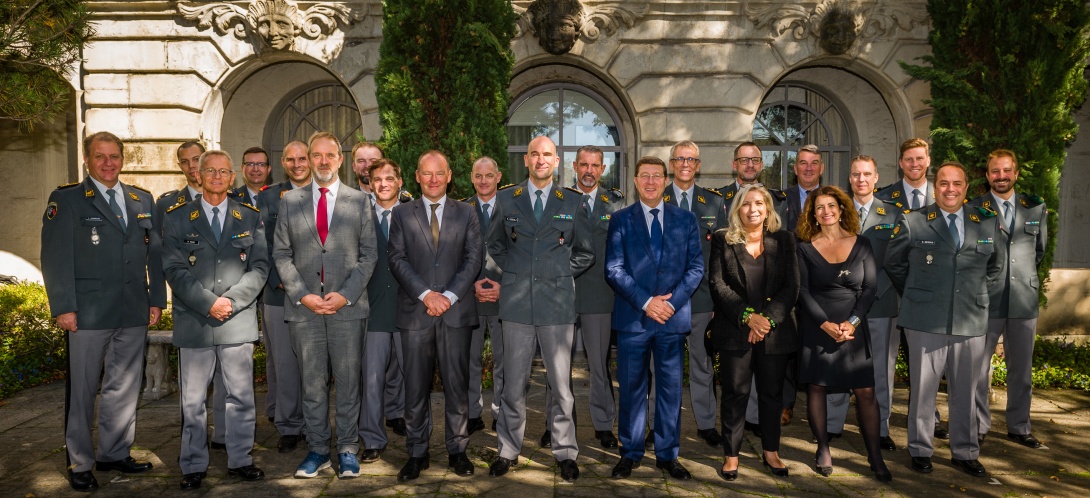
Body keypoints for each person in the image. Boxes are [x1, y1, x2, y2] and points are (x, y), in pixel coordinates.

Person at [41, 131, 166, 492]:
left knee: (124, 387)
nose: (108, 163)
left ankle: (114, 452)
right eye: (100, 156)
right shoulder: (68, 200)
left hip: (132, 309)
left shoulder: (141, 199)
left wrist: (156, 299)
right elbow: (55, 257)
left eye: (114, 156)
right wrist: (64, 307)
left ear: (122, 159)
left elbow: (153, 254)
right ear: (87, 160)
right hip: (88, 313)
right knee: (82, 391)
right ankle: (80, 461)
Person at [486, 135, 594, 482]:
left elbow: (585, 252)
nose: (540, 159)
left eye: (547, 154)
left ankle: (565, 452)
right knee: (513, 385)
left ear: (557, 161)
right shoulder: (506, 198)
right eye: (534, 153)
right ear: (527, 160)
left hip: (557, 305)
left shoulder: (573, 202)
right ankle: (508, 450)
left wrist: (557, 272)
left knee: (561, 386)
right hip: (516, 304)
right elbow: (495, 245)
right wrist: (519, 273)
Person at [272, 131, 377, 479]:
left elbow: (369, 256)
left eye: (328, 155)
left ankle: (347, 448)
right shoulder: (290, 201)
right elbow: (281, 254)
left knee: (348, 383)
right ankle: (318, 450)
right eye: (315, 155)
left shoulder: (359, 201)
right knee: (312, 385)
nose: (321, 162)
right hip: (305, 309)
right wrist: (303, 294)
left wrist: (345, 294)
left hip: (347, 308)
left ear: (339, 159)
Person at [162, 150, 269, 490]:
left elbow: (260, 267)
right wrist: (209, 304)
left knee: (240, 396)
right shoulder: (178, 217)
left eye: (224, 171)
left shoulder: (249, 217)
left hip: (236, 320)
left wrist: (231, 302)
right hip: (196, 320)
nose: (217, 177)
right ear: (199, 174)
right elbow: (174, 269)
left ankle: (240, 459)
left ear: (232, 177)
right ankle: (193, 464)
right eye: (211, 170)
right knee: (192, 401)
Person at [886, 161, 1000, 477]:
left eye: (957, 184)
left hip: (970, 320)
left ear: (966, 188)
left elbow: (995, 268)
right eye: (944, 184)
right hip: (925, 319)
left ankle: (965, 452)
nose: (950, 189)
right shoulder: (915, 221)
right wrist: (920, 292)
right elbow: (894, 264)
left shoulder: (987, 223)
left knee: (966, 390)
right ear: (935, 188)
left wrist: (971, 295)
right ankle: (921, 449)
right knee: (923, 389)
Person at [605, 156, 704, 480]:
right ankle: (630, 452)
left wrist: (671, 304)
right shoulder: (620, 219)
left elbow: (695, 268)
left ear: (666, 180)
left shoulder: (686, 219)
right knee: (632, 389)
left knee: (670, 390)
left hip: (671, 322)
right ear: (635, 181)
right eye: (644, 176)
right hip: (634, 319)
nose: (650, 182)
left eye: (656, 176)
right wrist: (647, 302)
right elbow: (614, 269)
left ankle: (667, 455)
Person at [388, 151, 483, 481]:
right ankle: (417, 452)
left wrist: (449, 296)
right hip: (416, 312)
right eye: (426, 173)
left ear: (449, 175)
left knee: (458, 387)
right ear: (416, 176)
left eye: (438, 173)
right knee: (415, 389)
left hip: (455, 312)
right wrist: (427, 294)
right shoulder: (401, 214)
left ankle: (458, 450)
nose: (432, 179)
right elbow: (397, 259)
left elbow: (474, 259)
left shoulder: (467, 212)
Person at [794, 185, 891, 482]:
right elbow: (803, 291)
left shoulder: (861, 243)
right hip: (818, 326)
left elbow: (870, 287)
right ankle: (822, 448)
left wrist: (853, 321)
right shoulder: (804, 247)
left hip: (853, 329)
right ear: (813, 214)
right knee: (818, 387)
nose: (826, 211)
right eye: (819, 207)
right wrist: (824, 324)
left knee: (866, 392)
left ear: (841, 209)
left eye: (831, 206)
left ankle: (875, 455)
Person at [708, 184, 799, 481]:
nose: (753, 209)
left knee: (772, 395)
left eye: (759, 203)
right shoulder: (723, 240)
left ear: (768, 208)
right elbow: (718, 284)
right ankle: (731, 455)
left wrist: (766, 322)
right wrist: (748, 318)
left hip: (774, 333)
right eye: (746, 204)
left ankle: (771, 451)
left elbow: (791, 287)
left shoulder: (784, 240)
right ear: (737, 209)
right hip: (736, 331)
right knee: (735, 393)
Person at [542, 145, 625, 450]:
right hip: (560, 293)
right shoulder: (558, 199)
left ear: (602, 169)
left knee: (599, 365)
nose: (589, 171)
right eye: (584, 165)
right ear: (574, 167)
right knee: (556, 366)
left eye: (595, 166)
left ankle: (603, 425)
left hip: (599, 295)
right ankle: (555, 425)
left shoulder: (614, 204)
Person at [968, 150, 1048, 449]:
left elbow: (1038, 251)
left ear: (1015, 173)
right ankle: (977, 425)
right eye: (994, 172)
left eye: (1006, 171)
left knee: (1022, 369)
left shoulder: (1035, 208)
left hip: (1023, 299)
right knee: (979, 370)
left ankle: (1019, 426)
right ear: (987, 175)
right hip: (987, 299)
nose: (1000, 176)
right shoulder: (975, 209)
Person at [826, 156, 902, 452]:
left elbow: (897, 262)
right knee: (839, 363)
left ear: (876, 177)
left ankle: (880, 427)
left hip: (880, 304)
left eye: (866, 174)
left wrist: (871, 293)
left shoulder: (893, 214)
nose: (861, 179)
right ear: (850, 179)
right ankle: (834, 423)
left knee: (881, 369)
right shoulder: (836, 214)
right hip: (842, 304)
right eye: (856, 174)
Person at [658, 140, 725, 448]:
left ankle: (706, 423)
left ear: (698, 166)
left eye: (691, 159)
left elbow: (721, 255)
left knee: (701, 364)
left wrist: (717, 300)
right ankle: (657, 425)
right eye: (679, 159)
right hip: (664, 300)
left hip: (700, 300)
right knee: (660, 367)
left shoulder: (714, 203)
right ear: (672, 165)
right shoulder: (656, 196)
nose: (685, 164)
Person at [348, 140, 408, 437]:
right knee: (371, 376)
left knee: (407, 373)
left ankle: (404, 421)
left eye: (389, 179)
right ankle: (371, 436)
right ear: (369, 184)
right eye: (377, 180)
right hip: (370, 306)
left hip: (408, 306)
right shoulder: (356, 214)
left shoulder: (413, 214)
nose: (383, 184)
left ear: (400, 182)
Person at [255, 140, 311, 453]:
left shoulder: (324, 193)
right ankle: (289, 426)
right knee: (285, 364)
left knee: (315, 364)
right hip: (279, 294)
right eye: (291, 159)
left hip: (318, 295)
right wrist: (282, 282)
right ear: (283, 163)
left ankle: (313, 422)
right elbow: (261, 244)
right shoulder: (268, 197)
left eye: (303, 158)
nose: (298, 163)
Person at [465, 156, 504, 434]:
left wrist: (507, 285)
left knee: (505, 359)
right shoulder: (462, 209)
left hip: (505, 297)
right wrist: (471, 285)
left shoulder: (514, 206)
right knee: (470, 358)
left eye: (489, 175)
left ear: (498, 177)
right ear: (471, 178)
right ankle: (471, 412)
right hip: (471, 296)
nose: (483, 181)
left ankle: (501, 411)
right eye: (478, 176)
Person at [877, 138, 935, 211]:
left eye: (919, 158)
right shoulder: (881, 198)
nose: (914, 164)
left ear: (928, 161)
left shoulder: (942, 196)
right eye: (909, 159)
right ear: (901, 163)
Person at [782, 144, 824, 233]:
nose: (809, 168)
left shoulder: (832, 198)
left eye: (814, 163)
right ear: (796, 169)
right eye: (803, 163)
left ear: (821, 169)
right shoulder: (782, 199)